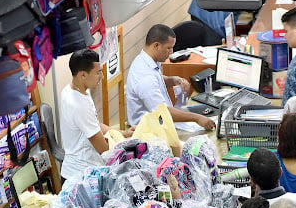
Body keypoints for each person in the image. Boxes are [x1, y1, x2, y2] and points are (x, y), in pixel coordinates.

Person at [59, 49, 132, 182]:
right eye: (98, 72)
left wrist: (123, 133)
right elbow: (103, 148)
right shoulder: (78, 104)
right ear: (82, 75)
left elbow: (95, 125)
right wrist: (126, 147)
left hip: (83, 170)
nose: (102, 76)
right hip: (80, 178)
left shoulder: (74, 90)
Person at [125, 24, 215, 130]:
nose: (171, 52)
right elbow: (162, 112)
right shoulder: (144, 76)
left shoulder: (146, 60)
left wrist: (172, 80)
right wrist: (197, 118)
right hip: (151, 131)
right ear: (156, 46)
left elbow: (156, 80)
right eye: (169, 48)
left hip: (160, 122)